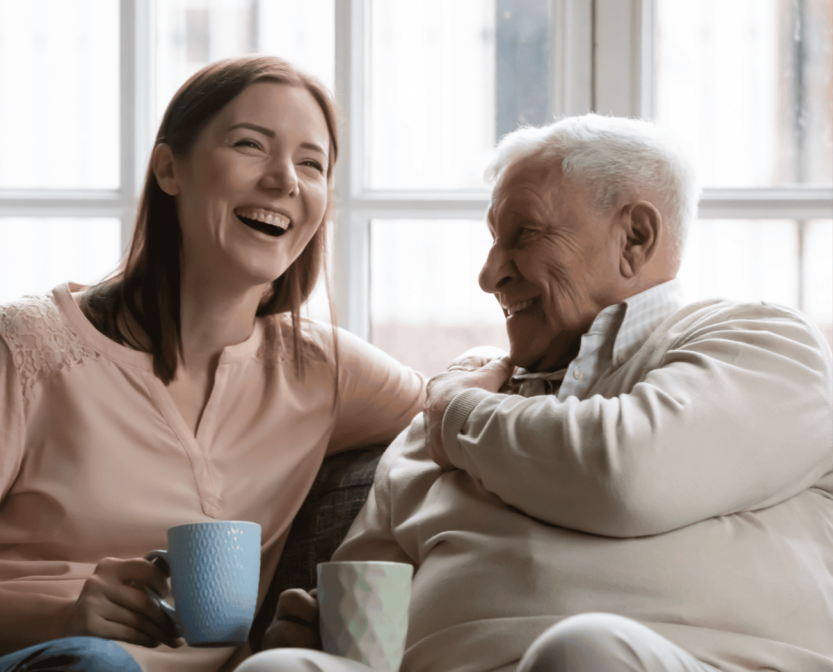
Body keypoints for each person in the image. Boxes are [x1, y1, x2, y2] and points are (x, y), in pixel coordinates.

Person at [0, 55, 426, 672]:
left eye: (311, 163)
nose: (285, 180)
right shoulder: (26, 346)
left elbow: (460, 406)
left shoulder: (323, 370)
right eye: (251, 145)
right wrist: (65, 618)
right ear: (169, 168)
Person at [241, 114, 833, 672]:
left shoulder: (763, 343)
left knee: (584, 650)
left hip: (673, 660)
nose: (488, 274)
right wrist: (319, 630)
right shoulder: (459, 404)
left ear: (635, 237)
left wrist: (455, 412)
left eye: (523, 235)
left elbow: (624, 476)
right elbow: (366, 589)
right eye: (494, 241)